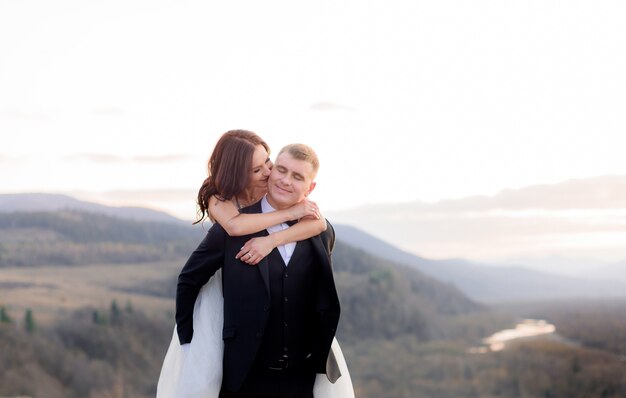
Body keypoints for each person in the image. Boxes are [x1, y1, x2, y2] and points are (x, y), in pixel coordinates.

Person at [157, 133, 353, 397]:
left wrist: (272, 240)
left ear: (310, 188)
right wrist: (188, 343)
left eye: (297, 177)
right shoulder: (231, 224)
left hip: (302, 377)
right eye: (280, 170)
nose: (282, 179)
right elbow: (189, 280)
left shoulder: (319, 232)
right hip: (243, 378)